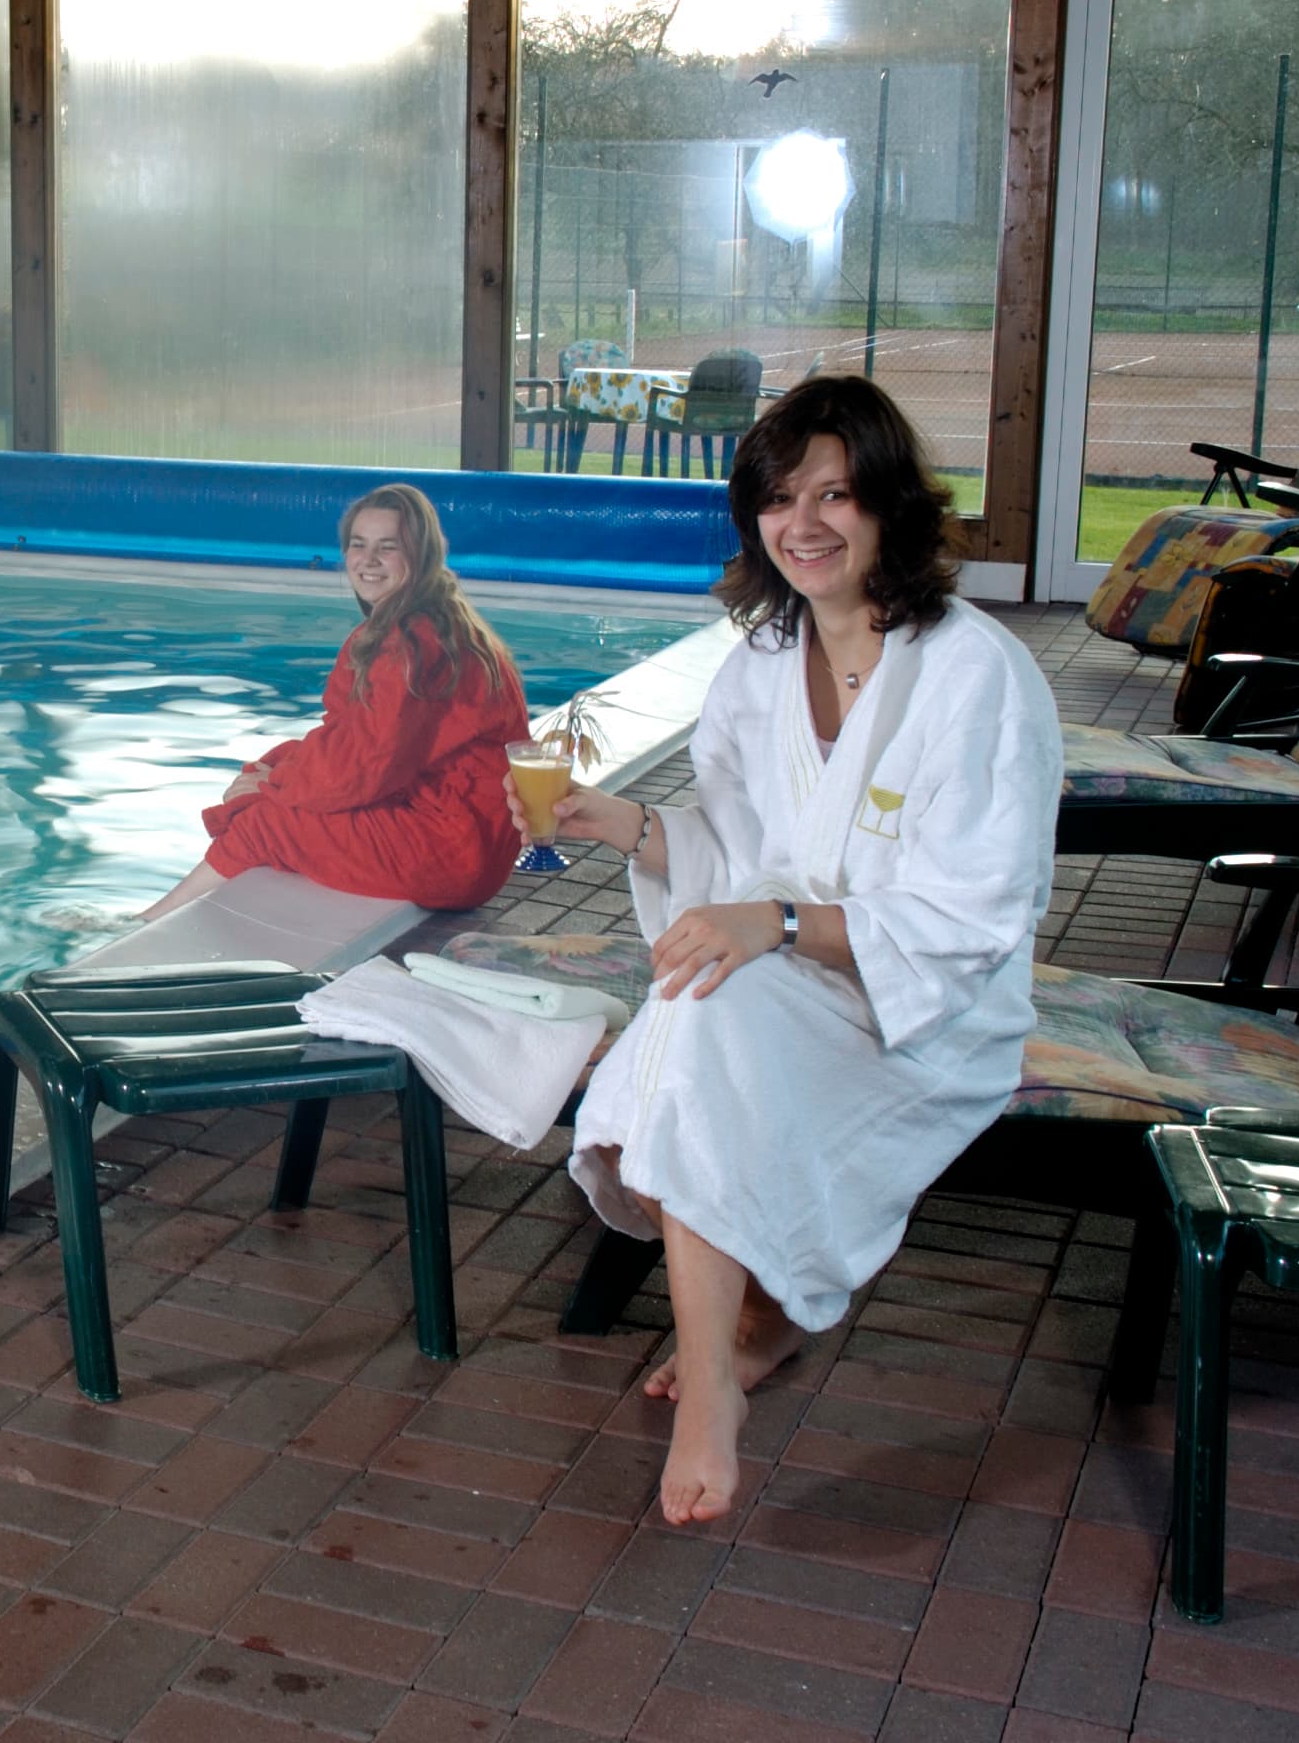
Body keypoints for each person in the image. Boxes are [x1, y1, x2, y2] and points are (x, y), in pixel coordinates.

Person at [544, 376, 1060, 1529]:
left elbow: (971, 915)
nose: (805, 524)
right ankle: (747, 1335)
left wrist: (773, 925)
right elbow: (729, 846)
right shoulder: (759, 664)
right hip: (788, 975)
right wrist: (618, 821)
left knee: (702, 1011)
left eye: (834, 493)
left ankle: (716, 1382)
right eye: (779, 499)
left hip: (926, 1003)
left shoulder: (975, 675)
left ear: (887, 505)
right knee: (701, 1002)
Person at [142, 483, 531, 919]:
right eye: (358, 545)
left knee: (265, 823)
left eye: (389, 547)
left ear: (420, 556)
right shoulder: (431, 622)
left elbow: (365, 763)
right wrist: (274, 772)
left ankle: (147, 922)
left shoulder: (412, 643)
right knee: (277, 765)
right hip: (469, 839)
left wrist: (275, 786)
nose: (369, 561)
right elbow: (355, 738)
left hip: (451, 852)